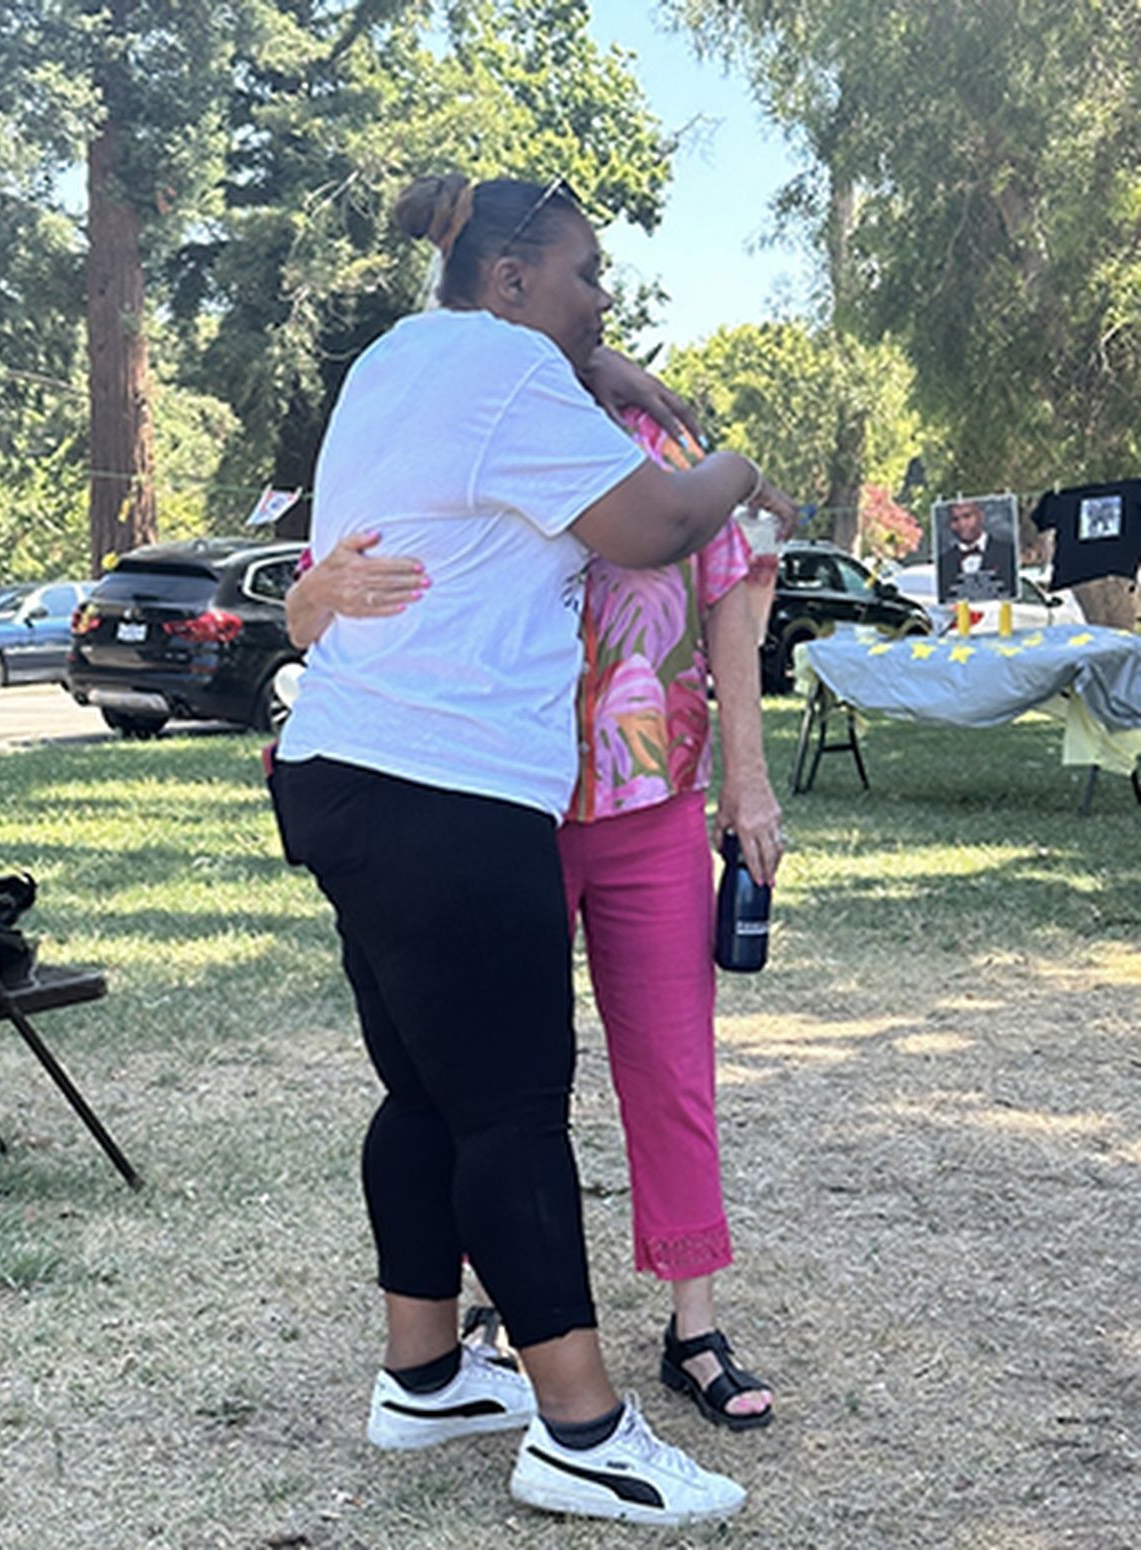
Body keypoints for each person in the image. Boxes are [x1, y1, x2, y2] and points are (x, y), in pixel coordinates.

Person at [269, 171, 793, 1527]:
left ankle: (424, 1373)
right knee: (509, 1112)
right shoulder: (505, 374)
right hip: (448, 789)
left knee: (425, 1094)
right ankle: (582, 1430)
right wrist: (739, 471)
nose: (602, 298)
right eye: (586, 274)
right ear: (510, 280)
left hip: (342, 771)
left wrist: (593, 358)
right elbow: (661, 525)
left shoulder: (396, 358)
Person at [937, 498, 1017, 601]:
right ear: (949, 525)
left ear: (981, 516)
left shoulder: (1008, 553)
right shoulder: (943, 563)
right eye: (955, 519)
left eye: (967, 516)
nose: (962, 524)